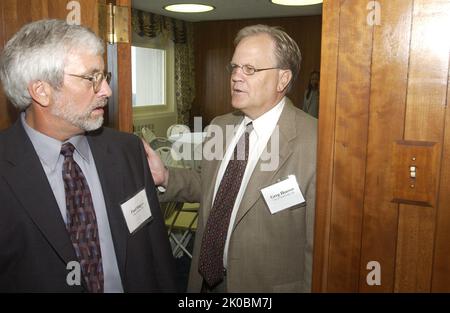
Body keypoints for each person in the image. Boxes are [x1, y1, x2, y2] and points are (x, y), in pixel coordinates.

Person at [0, 19, 177, 292]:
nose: (106, 91)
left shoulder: (129, 151)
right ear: (41, 91)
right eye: (90, 78)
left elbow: (157, 256)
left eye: (104, 77)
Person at [144, 24, 317, 292]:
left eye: (250, 69)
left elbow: (317, 247)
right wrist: (166, 176)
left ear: (283, 79)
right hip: (205, 283)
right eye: (234, 67)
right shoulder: (220, 126)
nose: (236, 76)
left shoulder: (315, 141)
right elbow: (209, 185)